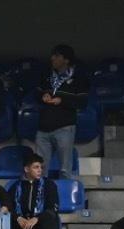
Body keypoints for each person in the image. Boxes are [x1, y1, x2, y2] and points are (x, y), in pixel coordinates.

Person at [35, 45, 89, 182]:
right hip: (43, 127)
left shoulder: (78, 78)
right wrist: (44, 95)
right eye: (53, 55)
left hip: (64, 127)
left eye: (57, 56)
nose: (52, 58)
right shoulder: (46, 76)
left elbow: (82, 102)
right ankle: (39, 198)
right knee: (39, 169)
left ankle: (64, 201)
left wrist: (62, 100)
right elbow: (36, 93)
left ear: (66, 60)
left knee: (65, 169)